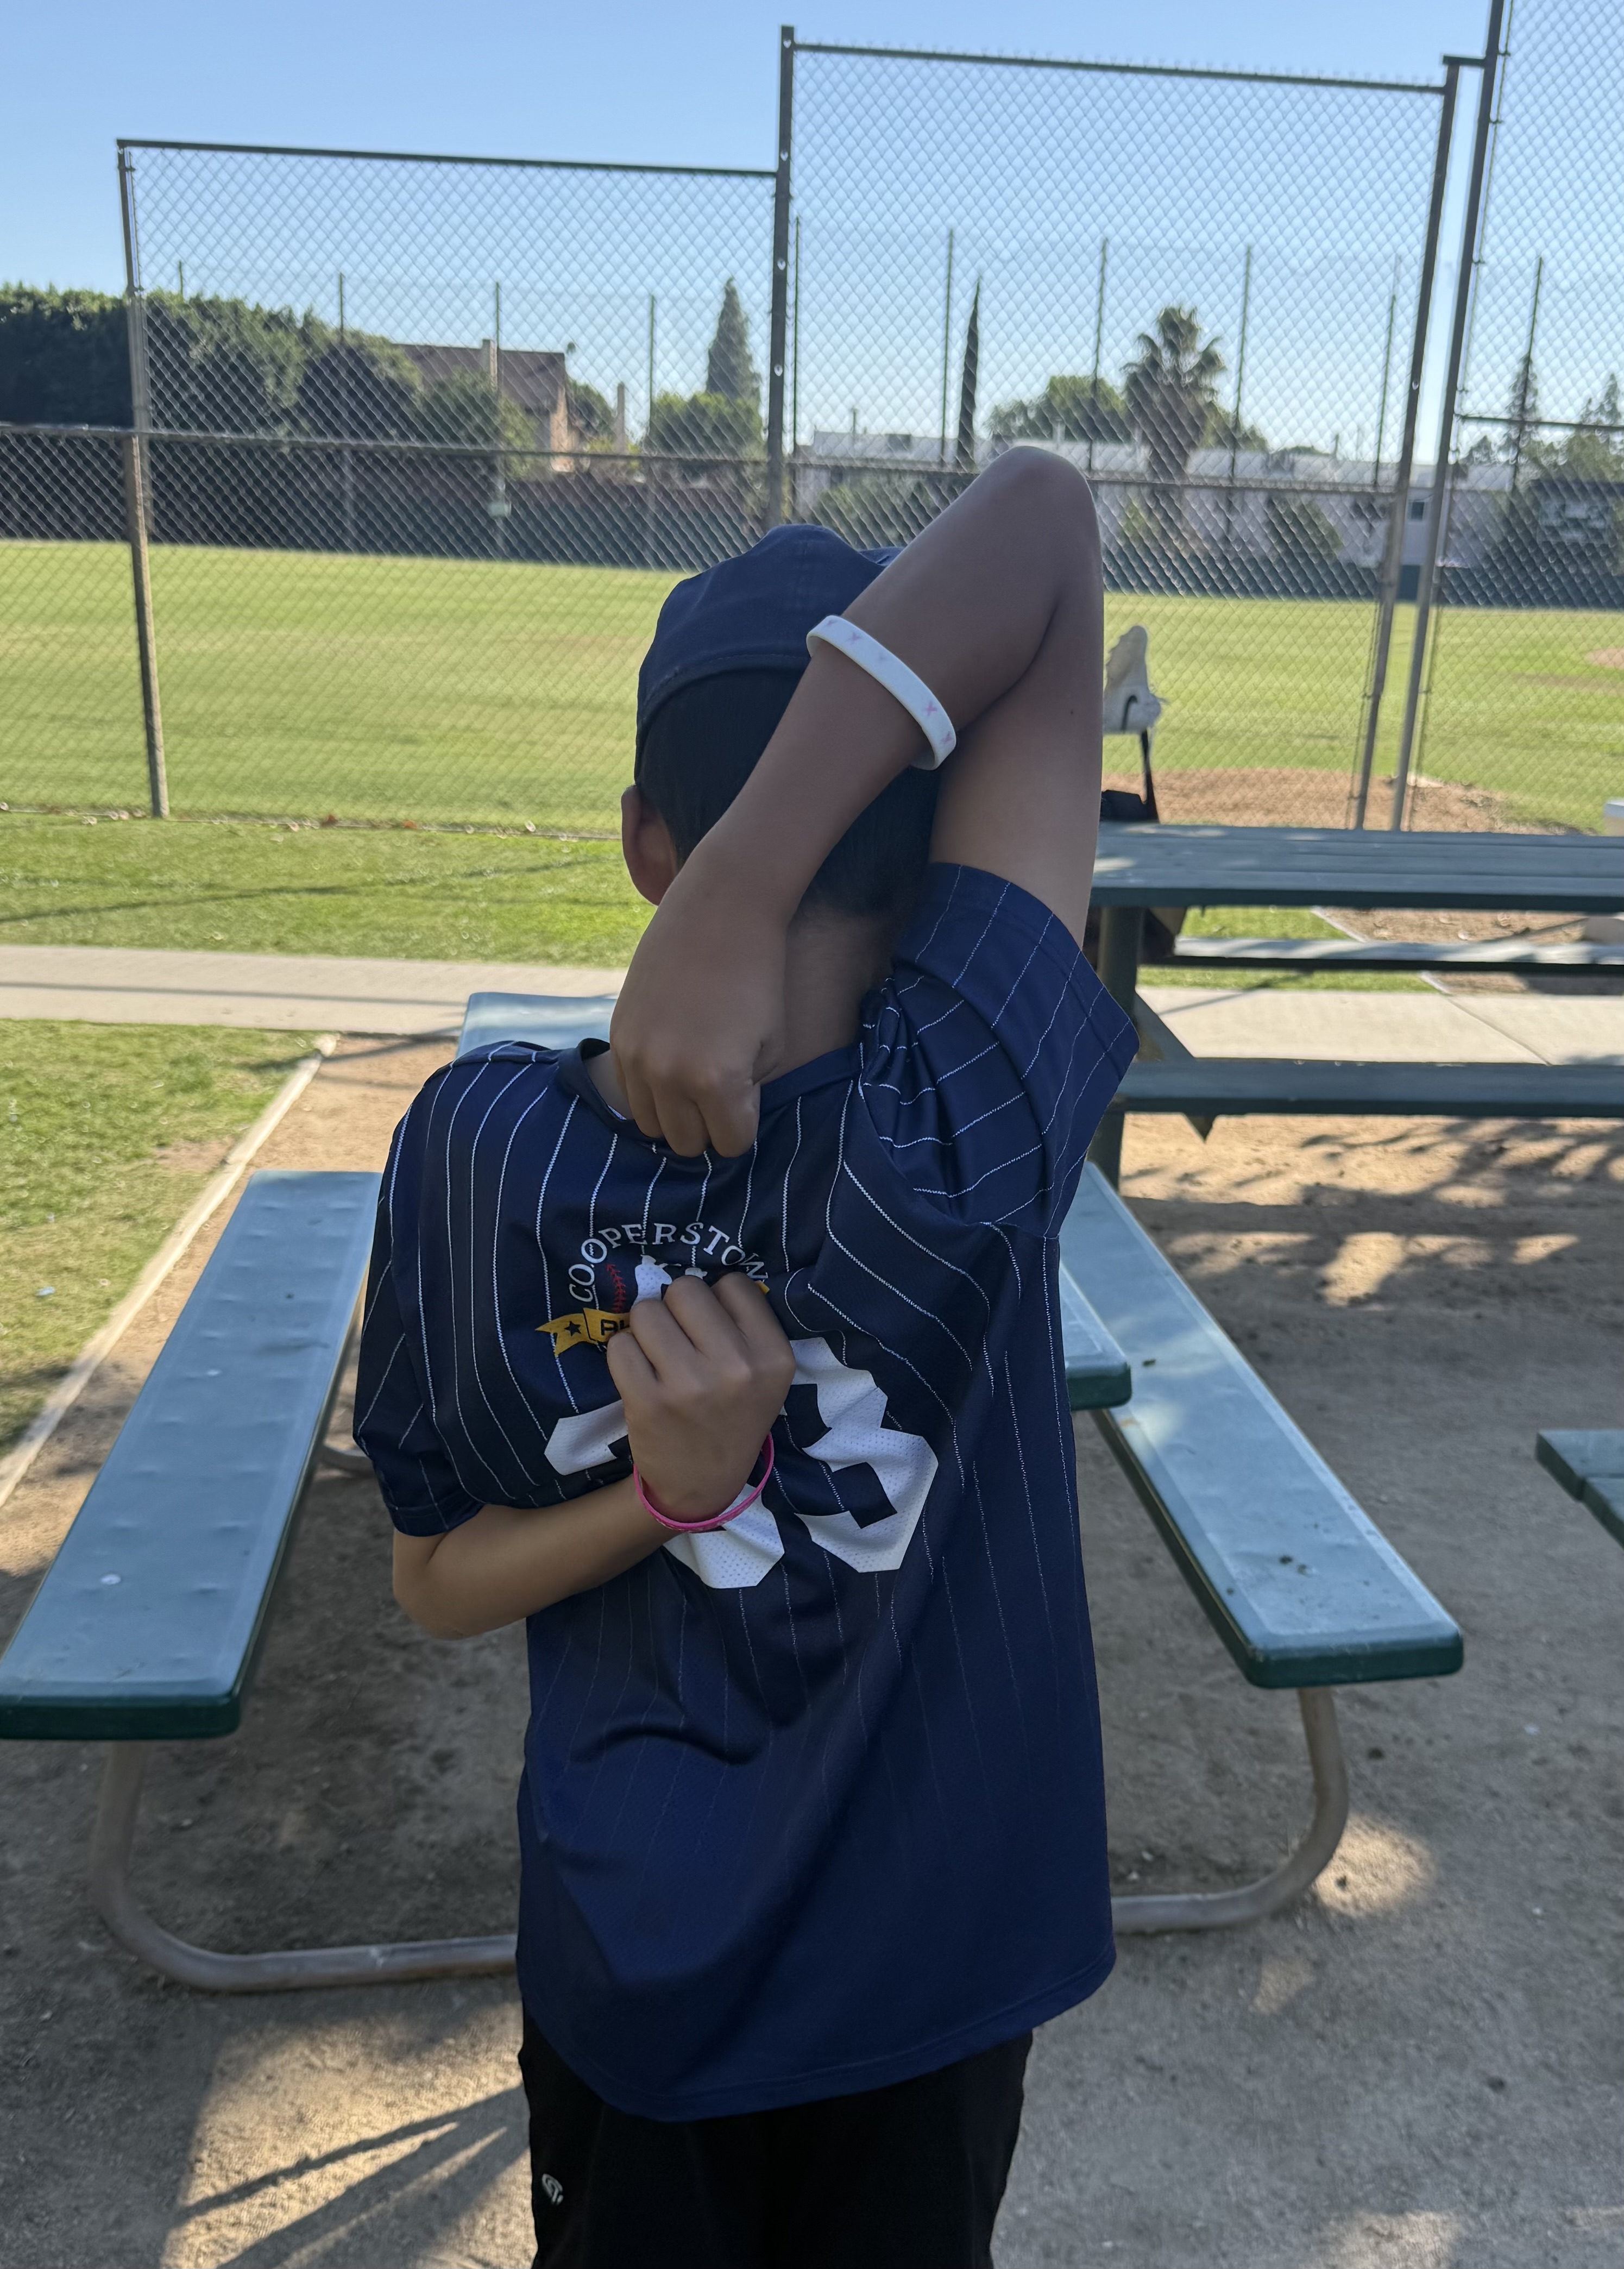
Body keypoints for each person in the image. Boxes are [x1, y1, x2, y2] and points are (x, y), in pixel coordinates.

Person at [354, 446, 1137, 2268]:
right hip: (931, 1954)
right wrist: (676, 1492)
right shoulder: (983, 1097)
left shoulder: (485, 1146)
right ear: (936, 832)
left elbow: (433, 1578)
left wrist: (722, 884)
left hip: (659, 1954)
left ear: (645, 840)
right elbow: (1041, 519)